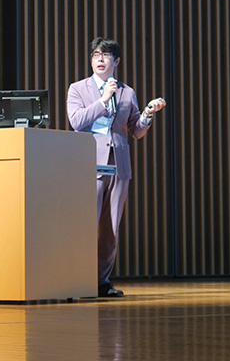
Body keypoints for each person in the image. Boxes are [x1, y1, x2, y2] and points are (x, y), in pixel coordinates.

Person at [66, 37, 166, 297]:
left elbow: (136, 131)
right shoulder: (77, 89)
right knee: (85, 224)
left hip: (118, 165)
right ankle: (78, 280)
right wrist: (103, 100)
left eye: (106, 55)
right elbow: (76, 121)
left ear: (117, 61)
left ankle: (101, 282)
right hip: (88, 163)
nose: (100, 59)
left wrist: (148, 113)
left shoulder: (127, 92)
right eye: (96, 55)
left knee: (110, 228)